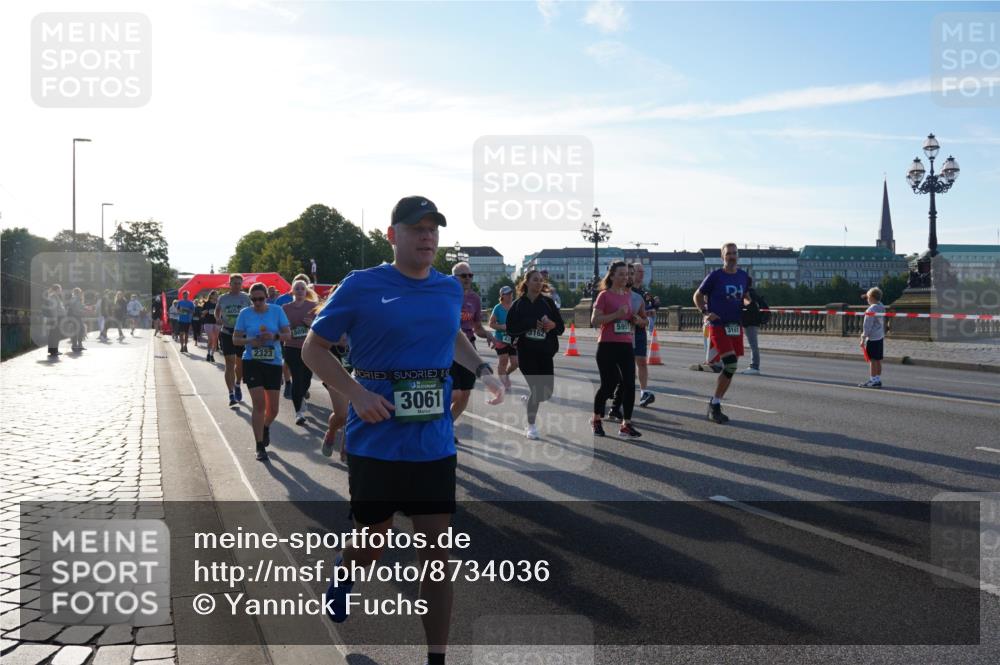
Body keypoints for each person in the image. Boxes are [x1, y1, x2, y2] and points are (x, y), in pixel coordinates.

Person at [301, 195, 504, 665]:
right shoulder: (362, 285)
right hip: (376, 437)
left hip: (433, 441)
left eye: (434, 228)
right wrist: (356, 394)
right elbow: (314, 349)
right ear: (393, 235)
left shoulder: (448, 289)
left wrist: (481, 369)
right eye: (417, 228)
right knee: (375, 538)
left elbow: (451, 333)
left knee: (437, 556)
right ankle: (347, 572)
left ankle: (437, 657)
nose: (428, 236)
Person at [693, 243, 752, 424]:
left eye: (734, 253)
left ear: (738, 256)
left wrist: (752, 305)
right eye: (728, 254)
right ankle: (715, 404)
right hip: (718, 325)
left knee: (730, 368)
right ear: (722, 257)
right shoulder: (715, 276)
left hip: (735, 325)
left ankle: (715, 402)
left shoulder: (744, 277)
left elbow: (747, 297)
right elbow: (697, 296)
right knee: (731, 364)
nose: (732, 256)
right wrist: (705, 312)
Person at [232, 283, 291, 461]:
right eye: (254, 299)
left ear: (266, 297)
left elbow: (288, 334)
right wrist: (251, 341)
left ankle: (265, 426)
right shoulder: (245, 314)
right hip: (252, 362)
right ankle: (259, 446)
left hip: (273, 363)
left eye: (261, 298)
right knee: (259, 405)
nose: (257, 302)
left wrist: (274, 337)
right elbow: (235, 339)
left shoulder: (277, 311)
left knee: (273, 410)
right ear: (250, 299)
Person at [504, 270, 564, 439]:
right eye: (535, 280)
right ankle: (530, 425)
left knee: (546, 393)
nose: (538, 283)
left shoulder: (548, 303)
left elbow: (560, 327)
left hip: (545, 353)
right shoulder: (518, 305)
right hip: (526, 354)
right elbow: (511, 329)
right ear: (527, 282)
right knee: (537, 389)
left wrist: (552, 325)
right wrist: (530, 324)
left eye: (541, 280)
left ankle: (529, 400)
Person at [590, 262, 643, 438]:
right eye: (621, 274)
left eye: (627, 274)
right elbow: (595, 320)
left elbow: (631, 319)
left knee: (629, 384)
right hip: (607, 345)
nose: (625, 277)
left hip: (626, 344)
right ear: (612, 276)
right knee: (608, 385)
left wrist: (635, 320)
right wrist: (616, 315)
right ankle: (596, 419)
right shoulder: (604, 295)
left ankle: (626, 424)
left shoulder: (628, 295)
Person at [449, 261, 496, 437]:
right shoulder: (445, 295)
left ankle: (447, 425)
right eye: (463, 275)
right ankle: (440, 425)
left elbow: (477, 326)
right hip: (449, 349)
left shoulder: (475, 299)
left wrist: (489, 335)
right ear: (454, 277)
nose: (468, 278)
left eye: (470, 275)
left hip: (469, 346)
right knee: (454, 393)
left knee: (465, 394)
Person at [609, 263, 650, 420]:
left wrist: (639, 320)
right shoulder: (611, 295)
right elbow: (598, 318)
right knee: (618, 377)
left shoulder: (638, 297)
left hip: (635, 335)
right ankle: (609, 404)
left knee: (630, 374)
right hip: (616, 338)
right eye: (627, 273)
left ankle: (620, 411)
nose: (630, 277)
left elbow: (645, 320)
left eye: (631, 274)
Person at [282, 279, 318, 425]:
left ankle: (302, 396)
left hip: (309, 347)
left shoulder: (314, 306)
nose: (299, 291)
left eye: (302, 288)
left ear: (306, 291)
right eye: (296, 288)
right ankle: (299, 412)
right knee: (297, 377)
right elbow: (280, 326)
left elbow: (322, 325)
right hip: (291, 347)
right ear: (292, 291)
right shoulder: (285, 308)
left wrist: (312, 324)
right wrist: (286, 329)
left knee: (307, 378)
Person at [216, 274, 253, 406]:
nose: (237, 285)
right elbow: (217, 311)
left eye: (239, 283)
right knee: (230, 362)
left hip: (242, 334)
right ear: (229, 284)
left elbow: (252, 311)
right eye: (235, 283)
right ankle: (231, 394)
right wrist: (218, 318)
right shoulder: (223, 298)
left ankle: (237, 383)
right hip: (227, 332)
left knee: (240, 364)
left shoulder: (246, 298)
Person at [488, 286, 519, 391]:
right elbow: (491, 324)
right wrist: (502, 327)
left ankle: (505, 374)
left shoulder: (515, 306)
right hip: (501, 339)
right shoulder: (498, 308)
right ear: (502, 296)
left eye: (511, 293)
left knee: (515, 363)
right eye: (507, 294)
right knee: (503, 360)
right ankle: (504, 383)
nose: (510, 295)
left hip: (513, 340)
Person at [858, 287, 886, 388]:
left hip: (873, 337)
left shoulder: (871, 309)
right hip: (880, 336)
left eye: (868, 297)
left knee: (872, 360)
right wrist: (869, 294)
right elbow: (877, 298)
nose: (867, 299)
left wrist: (863, 338)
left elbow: (867, 326)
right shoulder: (881, 306)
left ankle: (873, 380)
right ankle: (878, 379)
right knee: (878, 360)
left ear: (872, 298)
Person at [739, 286, 767, 376]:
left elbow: (747, 308)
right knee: (753, 345)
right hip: (754, 323)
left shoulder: (747, 295)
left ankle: (755, 366)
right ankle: (754, 366)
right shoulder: (755, 295)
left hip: (748, 323)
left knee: (753, 345)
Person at [45, 284, 66, 356]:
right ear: (57, 290)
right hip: (56, 318)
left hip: (56, 318)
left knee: (54, 334)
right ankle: (54, 351)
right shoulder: (53, 297)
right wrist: (55, 319)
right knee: (55, 335)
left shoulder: (55, 297)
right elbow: (54, 309)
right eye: (60, 289)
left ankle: (53, 350)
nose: (61, 291)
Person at [201, 291, 220, 362]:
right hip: (208, 322)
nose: (217, 296)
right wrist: (205, 312)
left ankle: (211, 355)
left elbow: (221, 313)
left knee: (215, 340)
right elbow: (202, 314)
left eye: (217, 295)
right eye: (216, 295)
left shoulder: (218, 304)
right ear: (211, 296)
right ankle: (208, 353)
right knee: (211, 338)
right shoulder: (207, 303)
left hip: (216, 323)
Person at [67, 287, 86, 352]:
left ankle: (76, 345)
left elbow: (78, 306)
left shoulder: (74, 298)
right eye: (80, 292)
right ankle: (77, 345)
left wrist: (85, 307)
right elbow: (77, 309)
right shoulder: (76, 298)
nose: (81, 293)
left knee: (77, 330)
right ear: (78, 292)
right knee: (80, 329)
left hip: (75, 317)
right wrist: (83, 311)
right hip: (76, 316)